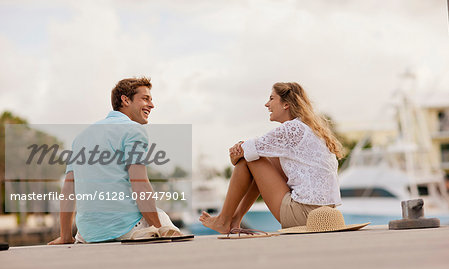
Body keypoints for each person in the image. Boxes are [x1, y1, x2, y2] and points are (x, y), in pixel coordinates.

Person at [49, 77, 180, 244]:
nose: (152, 105)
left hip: (88, 234)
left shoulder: (81, 138)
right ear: (125, 100)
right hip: (129, 227)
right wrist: (158, 228)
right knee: (166, 224)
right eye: (145, 99)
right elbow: (139, 183)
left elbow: (68, 188)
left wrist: (66, 236)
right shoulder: (134, 130)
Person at [200, 82, 343, 234]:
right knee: (264, 157)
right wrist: (243, 150)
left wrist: (238, 151)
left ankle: (224, 220)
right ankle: (234, 220)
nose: (266, 104)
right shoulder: (310, 129)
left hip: (303, 214)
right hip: (324, 215)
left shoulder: (292, 128)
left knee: (252, 158)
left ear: (286, 104)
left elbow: (242, 154)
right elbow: (250, 149)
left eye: (271, 98)